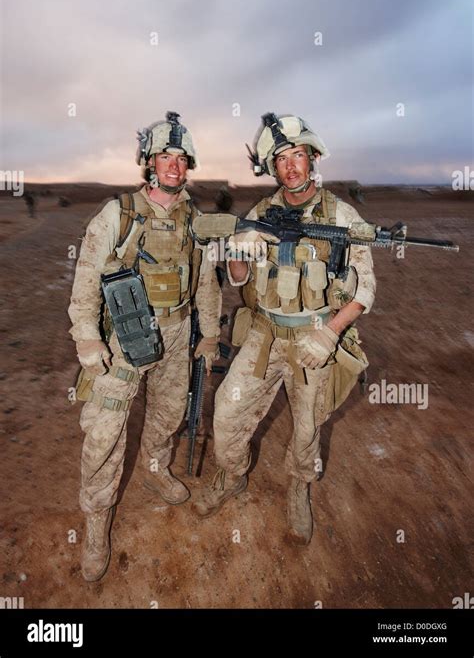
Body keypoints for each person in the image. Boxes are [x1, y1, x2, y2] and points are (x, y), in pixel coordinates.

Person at [192, 112, 376, 545]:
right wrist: (238, 249)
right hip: (263, 334)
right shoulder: (261, 211)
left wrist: (331, 332)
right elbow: (238, 277)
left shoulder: (340, 214)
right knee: (228, 408)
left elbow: (364, 289)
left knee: (308, 427)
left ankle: (299, 487)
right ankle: (233, 474)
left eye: (298, 155)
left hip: (315, 336)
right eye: (281, 159)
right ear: (271, 167)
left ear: (312, 157)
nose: (291, 166)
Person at [68, 111, 222, 581]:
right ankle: (97, 523)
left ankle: (156, 470)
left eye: (180, 157)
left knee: (168, 412)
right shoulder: (118, 214)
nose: (173, 165)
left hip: (179, 334)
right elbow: (86, 283)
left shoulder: (197, 220)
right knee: (105, 432)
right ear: (148, 162)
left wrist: (211, 333)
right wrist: (89, 341)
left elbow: (208, 282)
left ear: (188, 164)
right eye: (164, 156)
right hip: (124, 336)